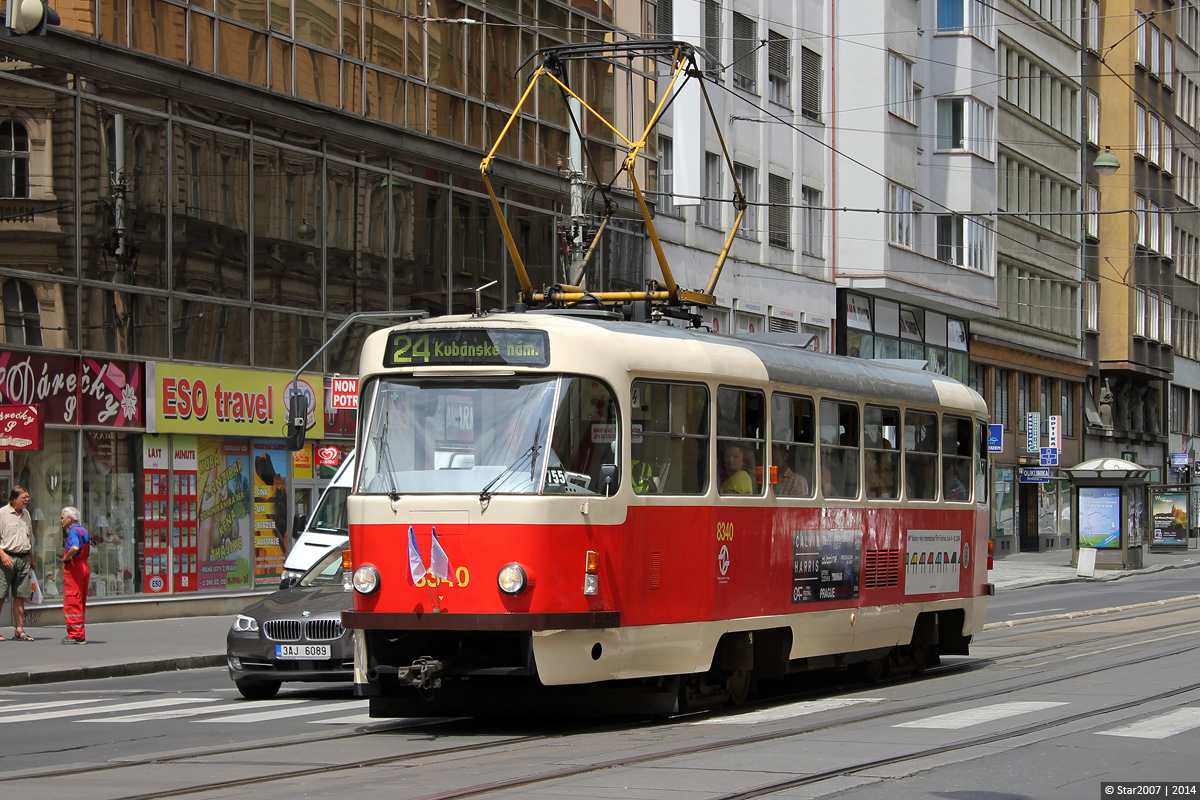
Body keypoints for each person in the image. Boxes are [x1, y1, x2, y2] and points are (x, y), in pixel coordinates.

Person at [0, 485, 36, 642]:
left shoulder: (26, 514)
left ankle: (19, 630)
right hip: (6, 559)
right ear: (14, 499)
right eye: (24, 497)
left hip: (24, 559)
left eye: (28, 497)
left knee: (20, 595)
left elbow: (29, 538)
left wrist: (32, 558)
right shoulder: (2, 514)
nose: (27, 500)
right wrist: (2, 555)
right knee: (1, 595)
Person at [59, 506, 91, 644]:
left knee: (72, 600)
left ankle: (75, 635)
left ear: (70, 518)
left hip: (74, 568)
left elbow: (75, 547)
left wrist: (66, 558)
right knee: (80, 600)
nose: (61, 520)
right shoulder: (83, 530)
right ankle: (79, 632)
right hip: (83, 566)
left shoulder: (73, 531)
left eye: (62, 518)